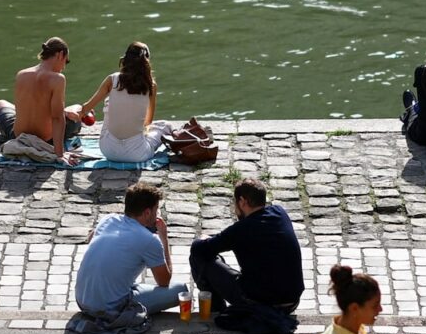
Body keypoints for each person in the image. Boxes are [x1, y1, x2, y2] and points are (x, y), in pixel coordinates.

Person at [189, 178, 304, 315]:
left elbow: (198, 248)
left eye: (235, 203)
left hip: (260, 304)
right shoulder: (280, 213)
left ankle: (217, 310)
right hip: (292, 302)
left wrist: (203, 239)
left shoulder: (241, 229)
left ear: (242, 201)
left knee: (200, 258)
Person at [75, 182, 181, 316]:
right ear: (147, 212)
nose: (157, 214)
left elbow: (91, 238)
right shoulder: (149, 240)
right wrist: (164, 239)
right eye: (156, 209)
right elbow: (164, 281)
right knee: (180, 290)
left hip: (82, 300)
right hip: (108, 308)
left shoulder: (108, 219)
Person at [77, 41, 173, 163]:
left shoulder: (112, 79)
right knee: (166, 126)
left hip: (108, 151)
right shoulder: (151, 86)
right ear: (146, 62)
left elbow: (86, 108)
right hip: (137, 154)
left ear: (125, 59)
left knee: (108, 104)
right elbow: (148, 122)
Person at [0, 36, 83, 165]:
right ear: (60, 55)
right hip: (45, 139)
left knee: (0, 103)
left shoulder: (21, 74)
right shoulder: (58, 79)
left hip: (18, 136)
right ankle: (69, 114)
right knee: (75, 116)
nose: (64, 67)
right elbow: (57, 118)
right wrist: (60, 154)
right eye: (66, 62)